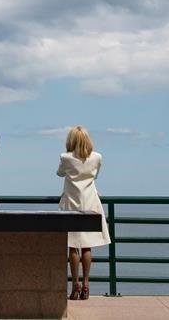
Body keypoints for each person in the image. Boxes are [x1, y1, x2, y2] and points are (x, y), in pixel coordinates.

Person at [58, 125, 110, 301]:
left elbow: (59, 173)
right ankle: (87, 285)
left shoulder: (65, 158)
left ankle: (75, 286)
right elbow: (94, 176)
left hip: (71, 204)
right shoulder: (97, 157)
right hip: (91, 203)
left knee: (73, 246)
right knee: (87, 246)